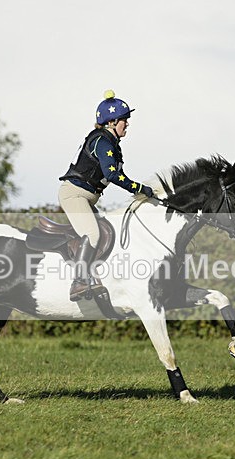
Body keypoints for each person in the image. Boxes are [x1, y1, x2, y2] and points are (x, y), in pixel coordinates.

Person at [58, 90, 154, 301]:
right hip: (75, 195)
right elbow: (112, 174)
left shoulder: (110, 143)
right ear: (111, 122)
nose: (127, 124)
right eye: (124, 120)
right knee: (93, 235)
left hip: (86, 196)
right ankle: (79, 282)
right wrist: (138, 188)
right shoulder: (102, 141)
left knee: (108, 232)